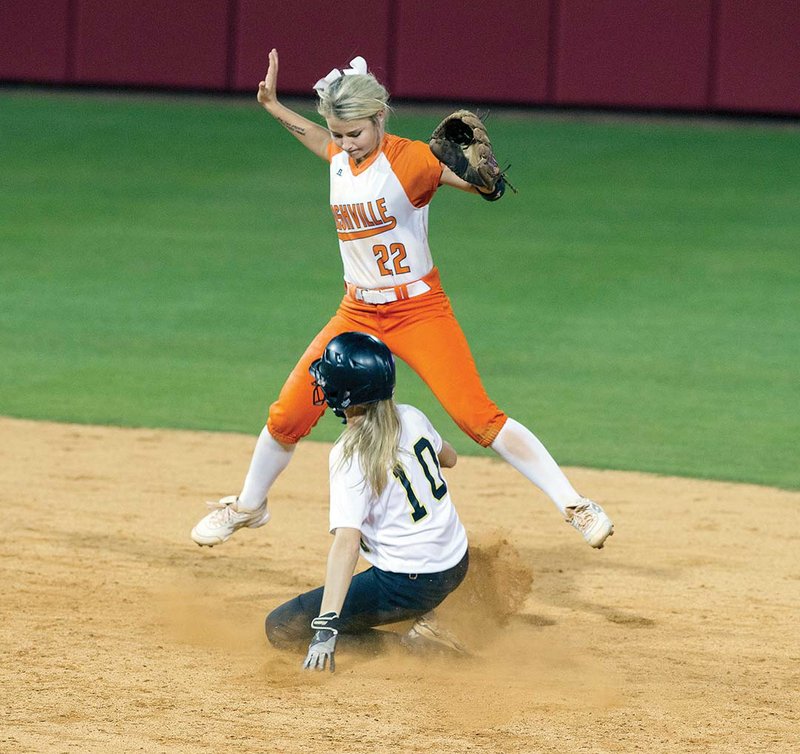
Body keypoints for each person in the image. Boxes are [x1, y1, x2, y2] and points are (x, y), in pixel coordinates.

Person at [190, 50, 613, 550]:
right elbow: (321, 141)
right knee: (287, 415)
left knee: (476, 416)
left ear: (379, 118)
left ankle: (575, 504)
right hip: (357, 313)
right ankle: (248, 505)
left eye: (356, 133)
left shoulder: (408, 159)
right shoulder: (341, 157)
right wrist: (275, 107)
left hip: (418, 311)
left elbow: (471, 182)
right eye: (340, 133)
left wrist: (487, 183)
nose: (346, 144)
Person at [265, 331, 469, 671]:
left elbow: (347, 543)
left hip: (409, 583)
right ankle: (426, 615)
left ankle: (414, 648)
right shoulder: (412, 416)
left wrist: (326, 626)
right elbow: (450, 458)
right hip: (457, 563)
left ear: (345, 394)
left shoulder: (350, 453)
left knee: (281, 628)